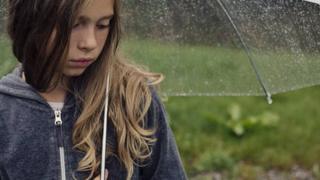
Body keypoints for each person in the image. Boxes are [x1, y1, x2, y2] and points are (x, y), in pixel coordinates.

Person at [0, 0, 187, 179]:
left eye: (102, 25)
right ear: (31, 21)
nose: (90, 43)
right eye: (74, 24)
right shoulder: (5, 112)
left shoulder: (133, 98)